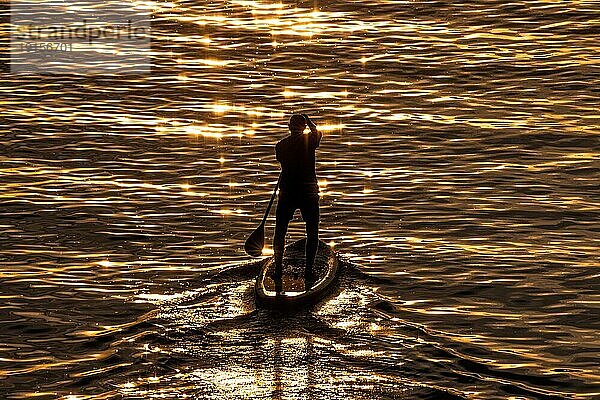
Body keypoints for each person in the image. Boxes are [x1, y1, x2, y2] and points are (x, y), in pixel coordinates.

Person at [273, 113, 322, 292]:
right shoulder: (310, 140)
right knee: (312, 231)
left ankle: (278, 270)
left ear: (288, 127)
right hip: (308, 192)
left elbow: (281, 161)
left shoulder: (280, 146)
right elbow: (318, 133)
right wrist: (309, 120)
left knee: (280, 231)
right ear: (303, 128)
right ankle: (308, 271)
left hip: (287, 192)